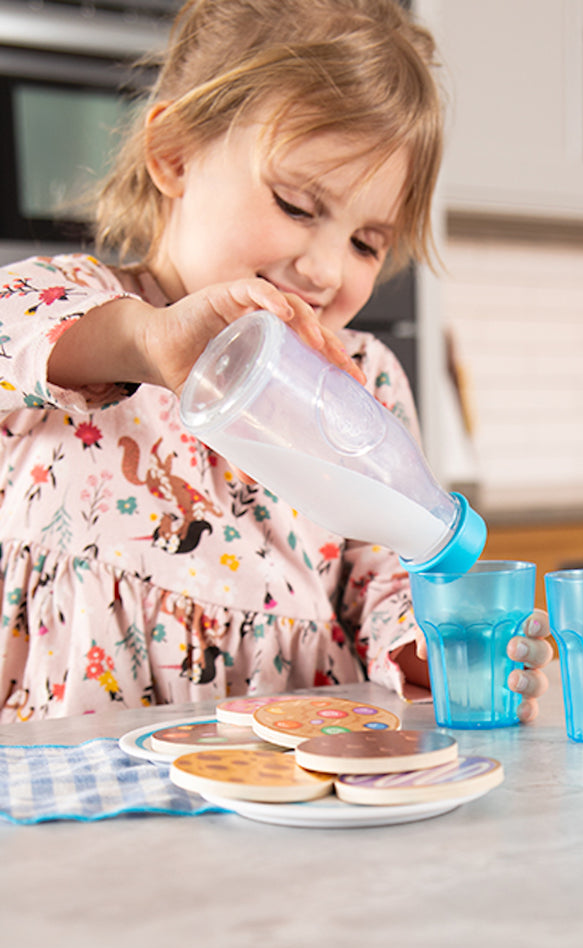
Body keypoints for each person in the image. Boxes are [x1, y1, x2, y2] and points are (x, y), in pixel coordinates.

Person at [0, 0, 551, 724]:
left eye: (366, 242)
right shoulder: (78, 306)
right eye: (297, 205)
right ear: (175, 156)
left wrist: (429, 648)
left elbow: (383, 577)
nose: (325, 269)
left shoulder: (365, 377)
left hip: (282, 768)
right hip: (73, 765)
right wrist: (148, 340)